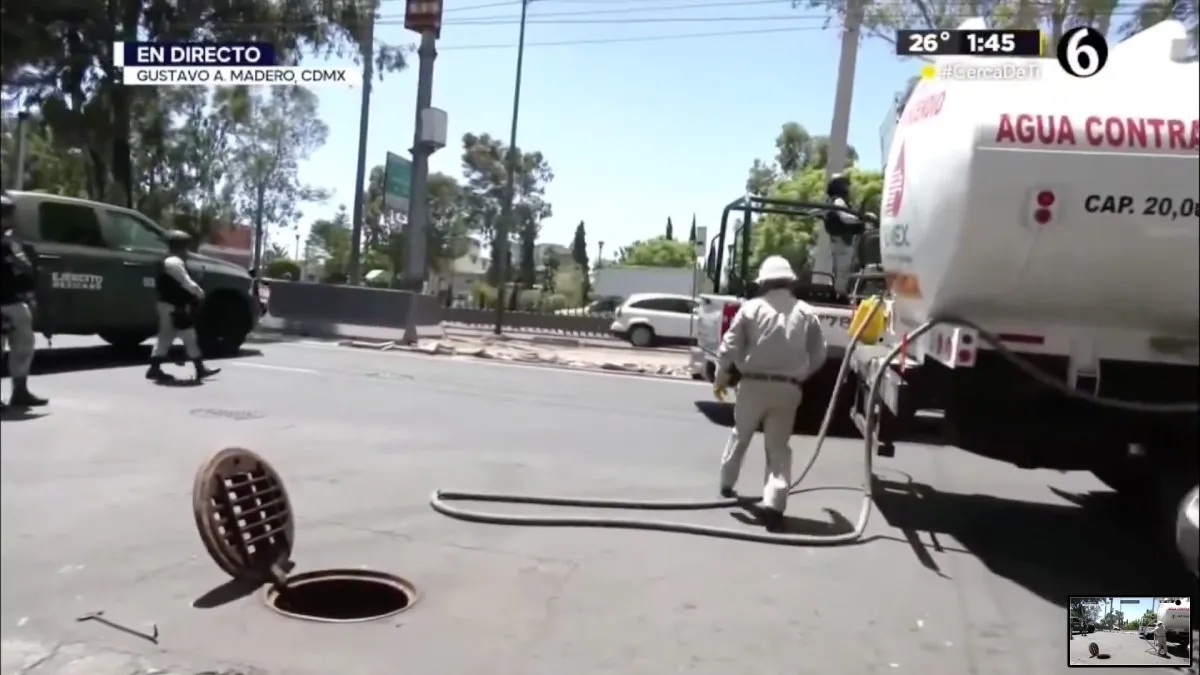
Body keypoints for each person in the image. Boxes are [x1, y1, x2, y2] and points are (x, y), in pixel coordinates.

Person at [714, 255, 828, 531]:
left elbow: (728, 347)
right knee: (778, 450)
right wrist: (801, 374)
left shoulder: (751, 308)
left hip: (753, 385)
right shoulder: (805, 311)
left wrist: (721, 378)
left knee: (740, 436)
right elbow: (820, 353)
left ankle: (727, 486)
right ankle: (774, 505)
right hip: (788, 389)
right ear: (789, 281)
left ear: (764, 282)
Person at [146, 230, 220, 381]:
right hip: (175, 306)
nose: (187, 251)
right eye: (186, 246)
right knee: (189, 337)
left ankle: (154, 369)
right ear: (181, 246)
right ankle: (200, 369)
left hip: (167, 305)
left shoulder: (168, 261)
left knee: (165, 338)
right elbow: (186, 283)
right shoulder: (174, 262)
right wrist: (199, 293)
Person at [1, 192, 48, 410]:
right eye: (9, 215)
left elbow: (25, 270)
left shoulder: (11, 241)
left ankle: (20, 391)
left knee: (24, 347)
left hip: (13, 300)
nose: (13, 219)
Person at [823, 173, 875, 294]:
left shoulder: (833, 201)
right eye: (846, 185)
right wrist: (863, 219)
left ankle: (841, 293)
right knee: (843, 272)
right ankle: (840, 296)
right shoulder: (838, 201)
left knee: (842, 271)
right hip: (843, 242)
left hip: (840, 241)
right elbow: (846, 217)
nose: (848, 188)